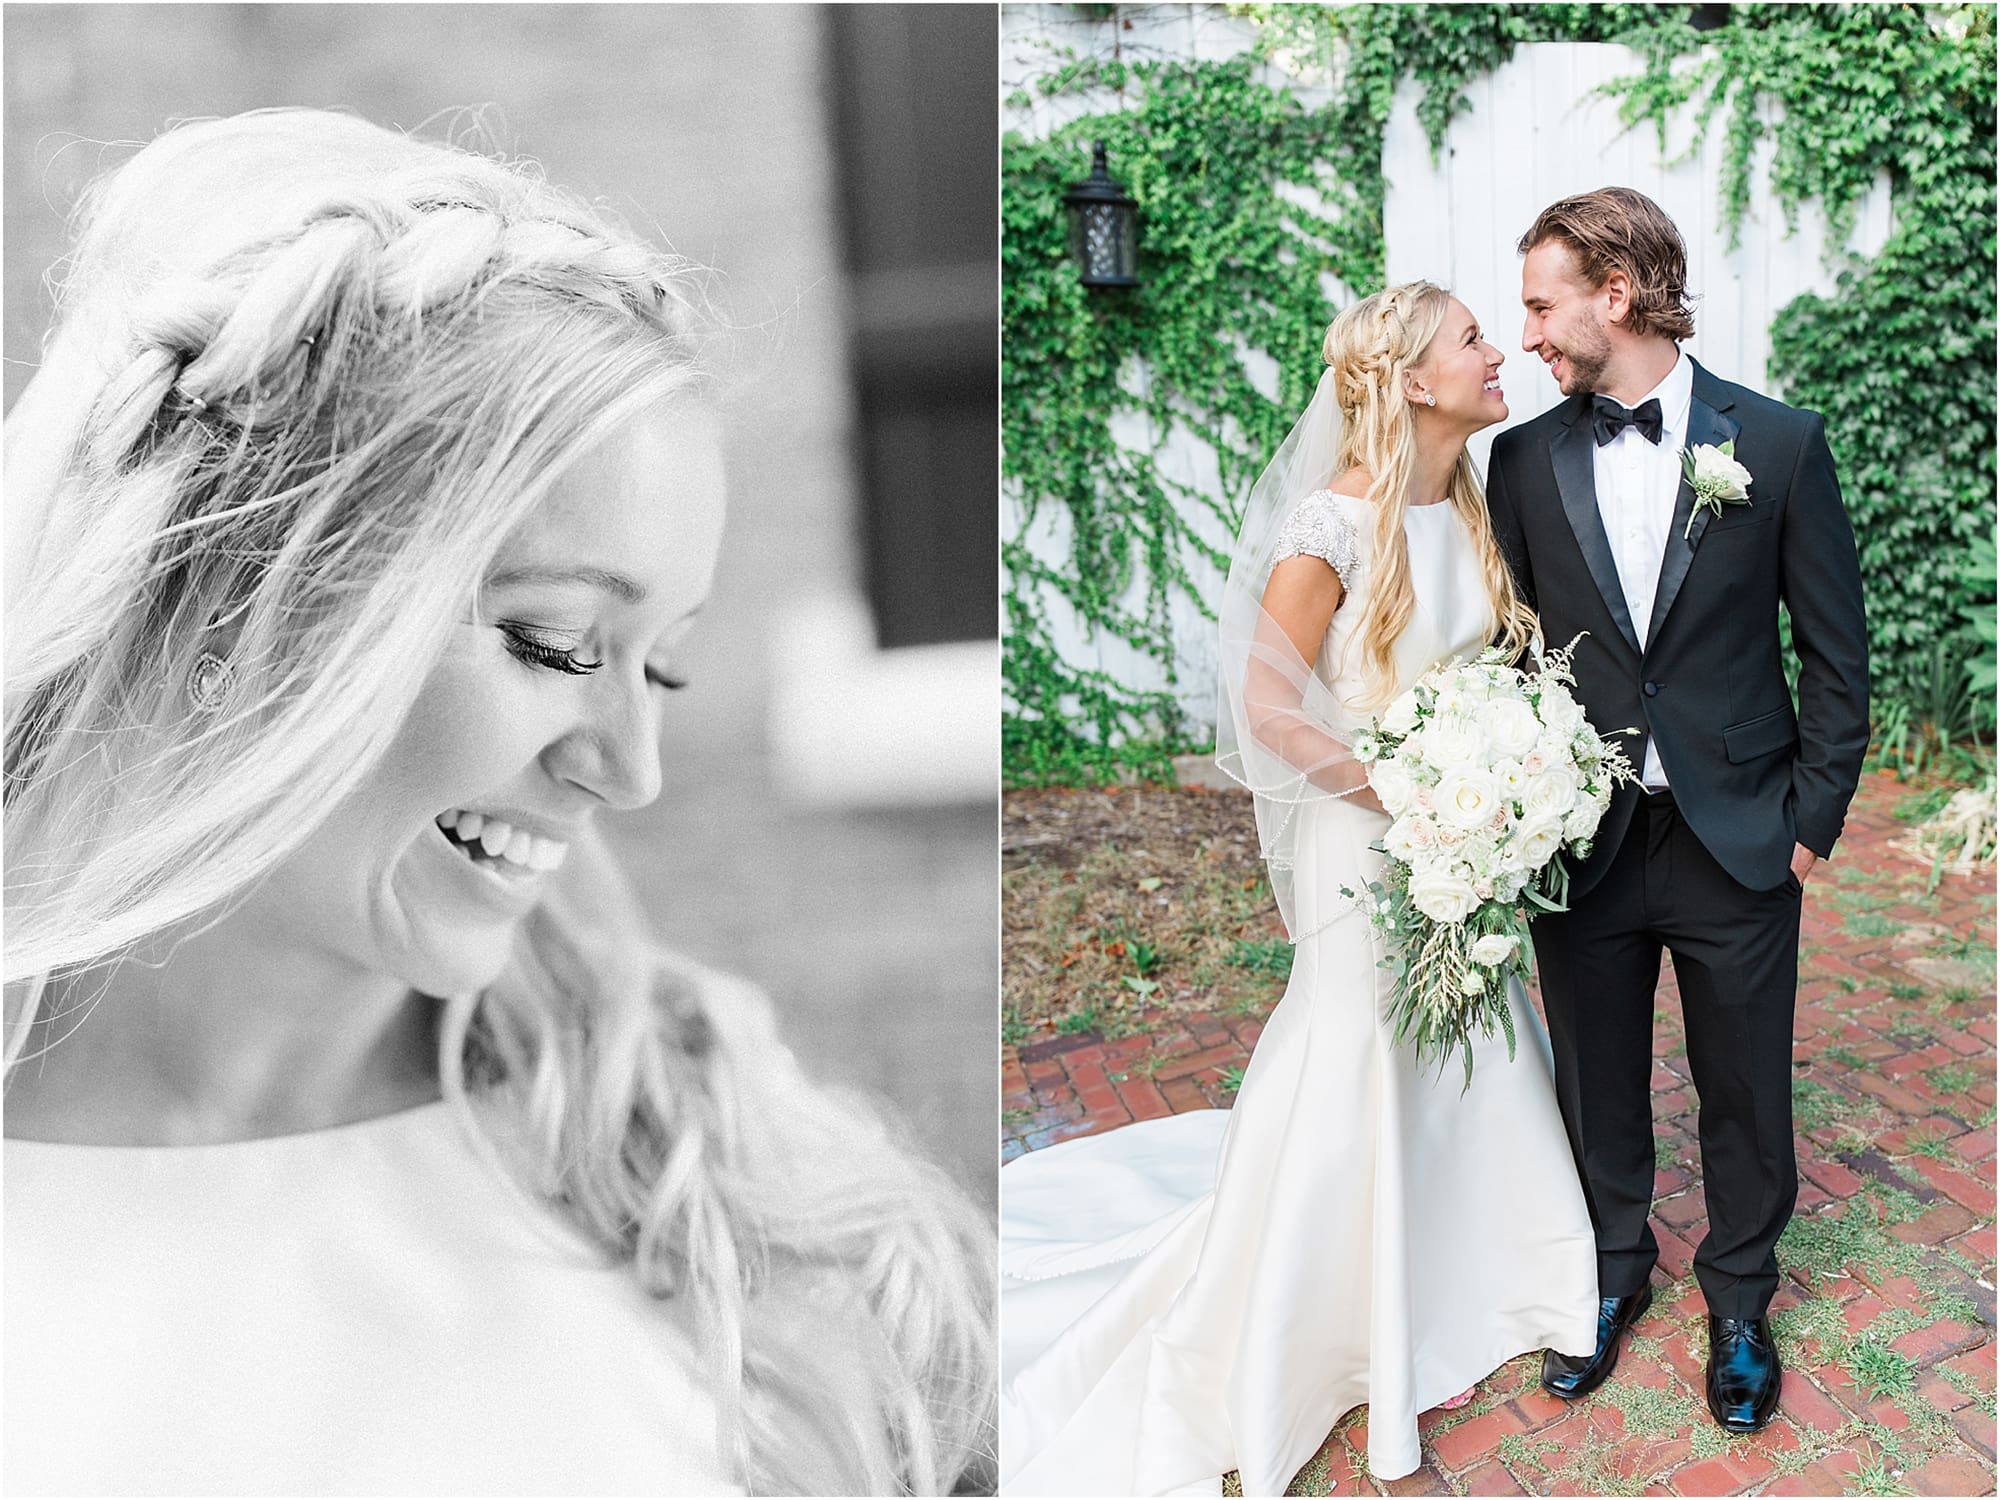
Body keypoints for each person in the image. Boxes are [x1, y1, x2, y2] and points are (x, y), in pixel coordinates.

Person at [3, 109, 993, 1497]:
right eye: (553, 645)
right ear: (236, 591)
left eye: (666, 666)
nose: (627, 767)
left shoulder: (744, 1208)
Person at [999, 282, 1600, 1496]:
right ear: (1411, 381)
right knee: (1363, 1047)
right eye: (1474, 340)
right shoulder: (1331, 525)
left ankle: (1478, 1272)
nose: (1499, 355)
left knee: (1473, 1036)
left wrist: (1506, 775)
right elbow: (1267, 709)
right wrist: (1412, 790)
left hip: (1458, 831)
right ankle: (1320, 1320)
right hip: (1366, 837)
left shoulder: (1466, 507)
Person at [1486, 187, 1869, 1433]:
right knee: (1593, 1077)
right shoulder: (1522, 459)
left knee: (1745, 1082)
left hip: (1739, 832)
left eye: (1542, 304)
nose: (1528, 332)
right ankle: (1610, 1273)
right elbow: (1512, 652)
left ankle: (1741, 1301)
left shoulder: (1778, 442)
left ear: (1615, 291)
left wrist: (1809, 820)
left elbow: (1835, 655)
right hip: (1580, 834)